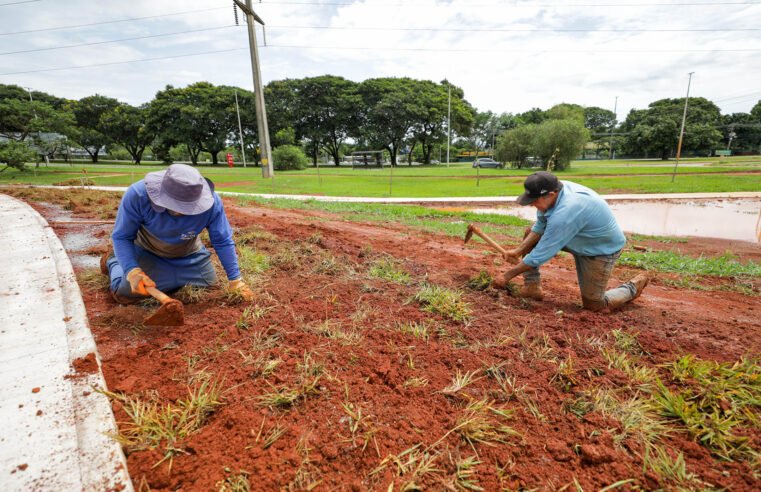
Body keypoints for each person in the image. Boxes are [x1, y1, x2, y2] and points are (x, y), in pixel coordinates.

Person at [493, 171, 649, 311]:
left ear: (551, 194)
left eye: (534, 200)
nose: (531, 204)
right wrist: (518, 250)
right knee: (530, 233)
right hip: (577, 237)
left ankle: (631, 288)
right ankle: (532, 287)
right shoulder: (555, 193)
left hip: (600, 249)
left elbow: (541, 253)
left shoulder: (567, 211)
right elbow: (540, 225)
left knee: (595, 305)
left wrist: (505, 277)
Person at [101, 164, 253, 304]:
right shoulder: (138, 195)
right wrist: (131, 270)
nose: (181, 211)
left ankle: (170, 275)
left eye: (188, 206)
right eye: (176, 204)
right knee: (126, 294)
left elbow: (222, 241)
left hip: (189, 254)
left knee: (209, 285)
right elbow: (122, 236)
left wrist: (235, 280)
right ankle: (114, 261)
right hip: (148, 252)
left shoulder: (212, 203)